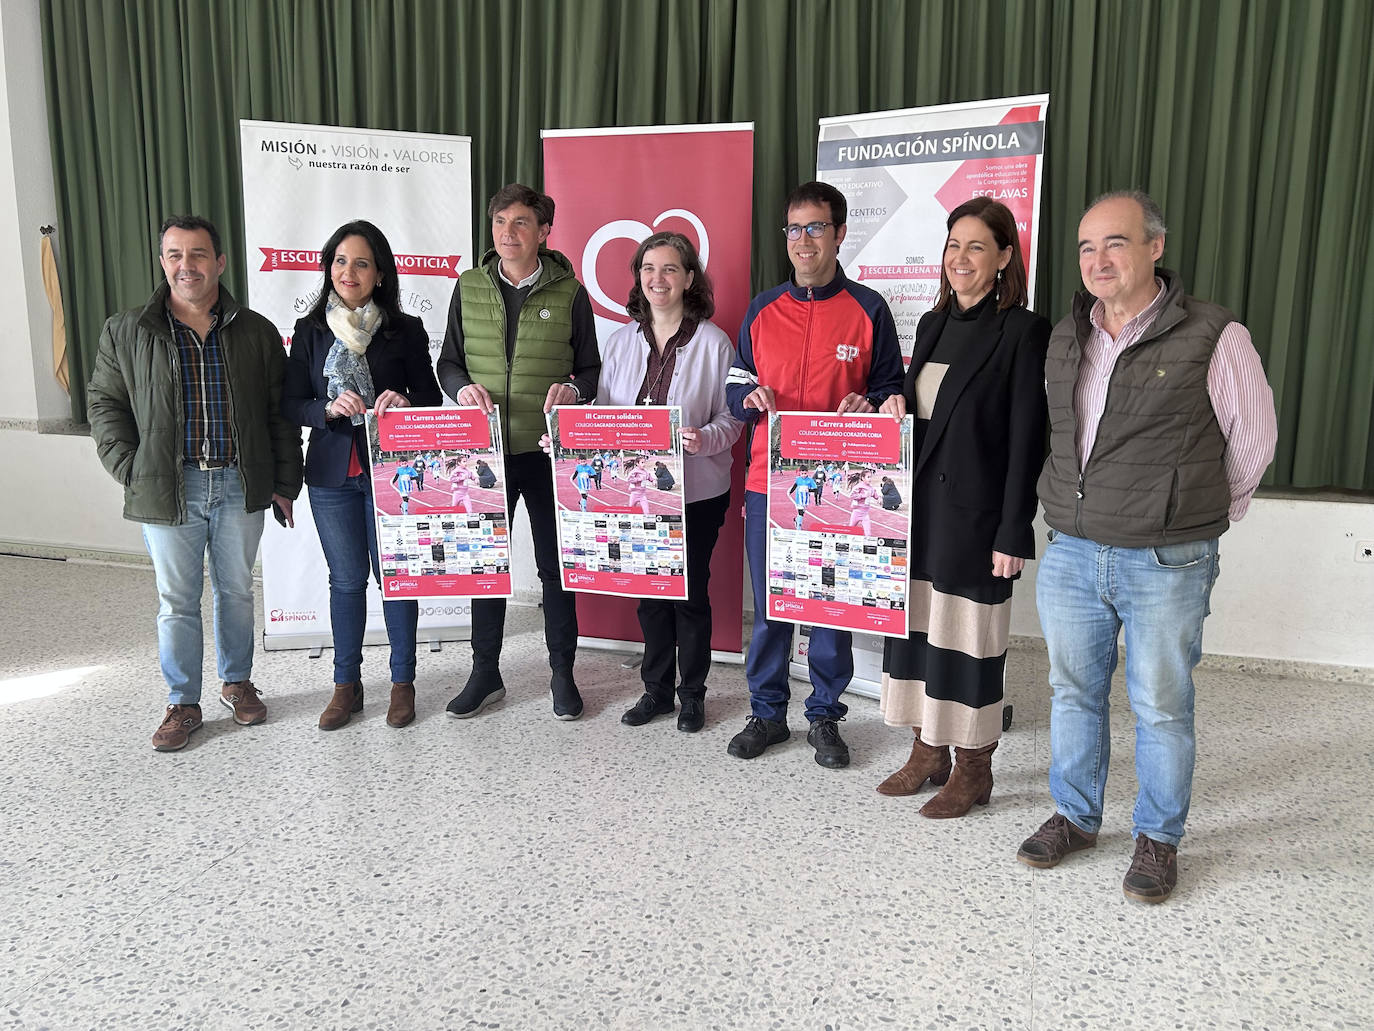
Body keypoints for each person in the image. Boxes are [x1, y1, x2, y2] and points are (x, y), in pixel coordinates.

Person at [1016, 190, 1276, 903]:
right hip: (1072, 547)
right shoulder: (1069, 334)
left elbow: (1254, 439)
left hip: (1167, 557)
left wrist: (1197, 511)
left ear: (1155, 247)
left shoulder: (1215, 333)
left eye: (1115, 243)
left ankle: (1158, 837)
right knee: (1073, 691)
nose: (1098, 260)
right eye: (1085, 247)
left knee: (1161, 702)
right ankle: (1075, 815)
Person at [87, 215, 303, 751]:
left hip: (238, 483)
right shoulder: (127, 329)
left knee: (235, 591)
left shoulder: (255, 331)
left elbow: (278, 414)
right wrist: (130, 468)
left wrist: (283, 481)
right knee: (176, 600)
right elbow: (104, 403)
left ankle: (237, 682)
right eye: (176, 255)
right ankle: (183, 703)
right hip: (168, 485)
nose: (188, 266)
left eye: (199, 254)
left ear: (220, 262)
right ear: (163, 262)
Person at [875, 197, 1050, 817]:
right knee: (920, 635)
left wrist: (1013, 531)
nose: (961, 258)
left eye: (977, 246)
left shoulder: (1025, 332)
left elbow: (1029, 440)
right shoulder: (931, 324)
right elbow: (926, 408)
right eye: (953, 246)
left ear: (1004, 257)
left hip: (977, 521)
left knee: (968, 643)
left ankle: (975, 767)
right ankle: (927, 752)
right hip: (917, 514)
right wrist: (891, 404)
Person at [725, 181, 903, 768]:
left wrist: (870, 404)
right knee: (773, 606)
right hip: (765, 482)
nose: (803, 241)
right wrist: (748, 399)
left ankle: (825, 715)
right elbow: (733, 387)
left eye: (816, 228)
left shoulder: (869, 309)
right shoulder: (762, 307)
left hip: (840, 488)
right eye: (794, 229)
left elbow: (890, 391)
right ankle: (767, 714)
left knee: (830, 602)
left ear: (840, 233)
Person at [436, 183, 600, 720]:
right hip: (486, 452)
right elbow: (449, 363)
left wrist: (574, 390)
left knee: (556, 568)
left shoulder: (571, 293)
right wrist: (461, 389)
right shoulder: (468, 285)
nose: (508, 233)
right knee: (486, 567)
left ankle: (562, 673)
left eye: (521, 223)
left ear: (544, 231)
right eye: (500, 222)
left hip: (548, 452)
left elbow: (592, 370)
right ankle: (485, 673)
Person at [282, 220, 442, 731]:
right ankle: (345, 687)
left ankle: (402, 684)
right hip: (331, 476)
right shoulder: (309, 331)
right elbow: (290, 403)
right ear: (329, 268)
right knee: (346, 582)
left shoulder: (405, 329)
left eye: (362, 263)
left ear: (380, 274)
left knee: (396, 580)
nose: (348, 272)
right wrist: (326, 409)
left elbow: (432, 397)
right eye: (340, 261)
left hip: (392, 474)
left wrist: (406, 400)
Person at [591, 231, 741, 732]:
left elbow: (733, 418)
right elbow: (604, 416)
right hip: (637, 495)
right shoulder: (619, 342)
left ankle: (693, 694)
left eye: (670, 269)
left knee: (689, 593)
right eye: (649, 268)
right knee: (651, 593)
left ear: (689, 279)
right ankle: (656, 690)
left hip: (696, 492)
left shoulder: (716, 343)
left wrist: (704, 439)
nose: (658, 278)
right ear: (638, 278)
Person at [845, 468, 878, 536]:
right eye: (868, 477)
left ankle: (867, 545)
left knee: (868, 533)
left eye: (870, 477)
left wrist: (879, 499)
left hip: (865, 514)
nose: (870, 479)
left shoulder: (871, 488)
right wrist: (863, 495)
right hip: (856, 512)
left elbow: (875, 495)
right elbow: (851, 495)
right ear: (863, 478)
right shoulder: (859, 486)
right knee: (850, 529)